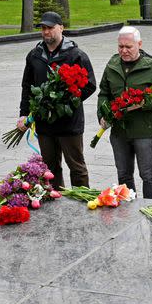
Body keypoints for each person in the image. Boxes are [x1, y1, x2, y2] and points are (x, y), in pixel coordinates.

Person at [17, 12, 97, 189]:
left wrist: (64, 102)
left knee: (76, 167)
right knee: (50, 168)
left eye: (50, 28)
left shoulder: (76, 55)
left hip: (69, 122)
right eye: (43, 28)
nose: (46, 32)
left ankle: (81, 201)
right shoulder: (34, 55)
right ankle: (55, 200)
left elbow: (90, 85)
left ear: (61, 28)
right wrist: (23, 114)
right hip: (44, 122)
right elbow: (27, 86)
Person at [96, 27, 152, 199]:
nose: (124, 50)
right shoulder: (112, 65)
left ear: (139, 44)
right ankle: (128, 210)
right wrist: (102, 114)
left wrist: (142, 104)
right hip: (119, 131)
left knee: (147, 175)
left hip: (144, 131)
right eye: (120, 46)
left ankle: (150, 210)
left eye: (128, 47)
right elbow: (104, 93)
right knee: (123, 174)